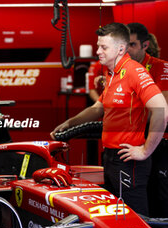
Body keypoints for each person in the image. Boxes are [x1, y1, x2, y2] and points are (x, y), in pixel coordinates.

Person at [51, 22, 168, 216]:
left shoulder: (135, 71)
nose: (98, 51)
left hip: (129, 160)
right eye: (98, 46)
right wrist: (70, 123)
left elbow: (162, 110)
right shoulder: (111, 72)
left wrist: (146, 150)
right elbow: (99, 107)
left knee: (134, 219)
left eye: (103, 47)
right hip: (110, 156)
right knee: (115, 216)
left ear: (120, 48)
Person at [127, 22, 168, 217]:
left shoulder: (161, 67)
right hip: (131, 141)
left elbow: (162, 106)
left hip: (159, 140)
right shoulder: (120, 69)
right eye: (124, 44)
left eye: (132, 44)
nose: (126, 49)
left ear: (145, 45)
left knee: (160, 194)